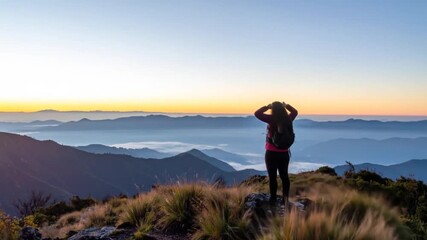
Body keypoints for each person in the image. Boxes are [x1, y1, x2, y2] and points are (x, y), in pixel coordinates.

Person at [254, 101, 298, 205]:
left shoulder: (271, 119)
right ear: (282, 109)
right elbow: (295, 112)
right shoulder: (288, 118)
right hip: (284, 153)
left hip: (271, 153)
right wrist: (286, 105)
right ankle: (285, 199)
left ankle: (273, 198)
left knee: (272, 177)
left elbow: (257, 113)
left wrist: (267, 107)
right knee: (284, 176)